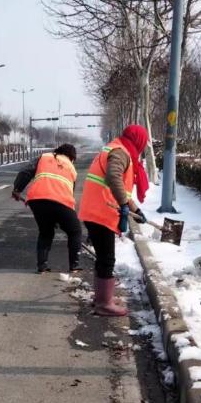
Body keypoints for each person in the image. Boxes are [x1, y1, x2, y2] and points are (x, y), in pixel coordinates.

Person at [78, 124, 149, 316]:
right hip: (101, 211)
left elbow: (121, 189)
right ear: (138, 141)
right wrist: (124, 204)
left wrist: (135, 209)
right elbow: (113, 177)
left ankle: (101, 297)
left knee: (103, 257)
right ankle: (104, 303)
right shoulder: (120, 152)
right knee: (107, 258)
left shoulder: (117, 148)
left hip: (96, 210)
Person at [11, 143, 82, 274]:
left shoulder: (44, 157)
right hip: (61, 202)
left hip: (37, 200)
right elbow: (70, 193)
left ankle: (42, 266)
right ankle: (74, 265)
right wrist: (62, 218)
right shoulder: (71, 167)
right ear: (72, 157)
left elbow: (25, 172)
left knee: (45, 232)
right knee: (75, 232)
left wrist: (17, 189)